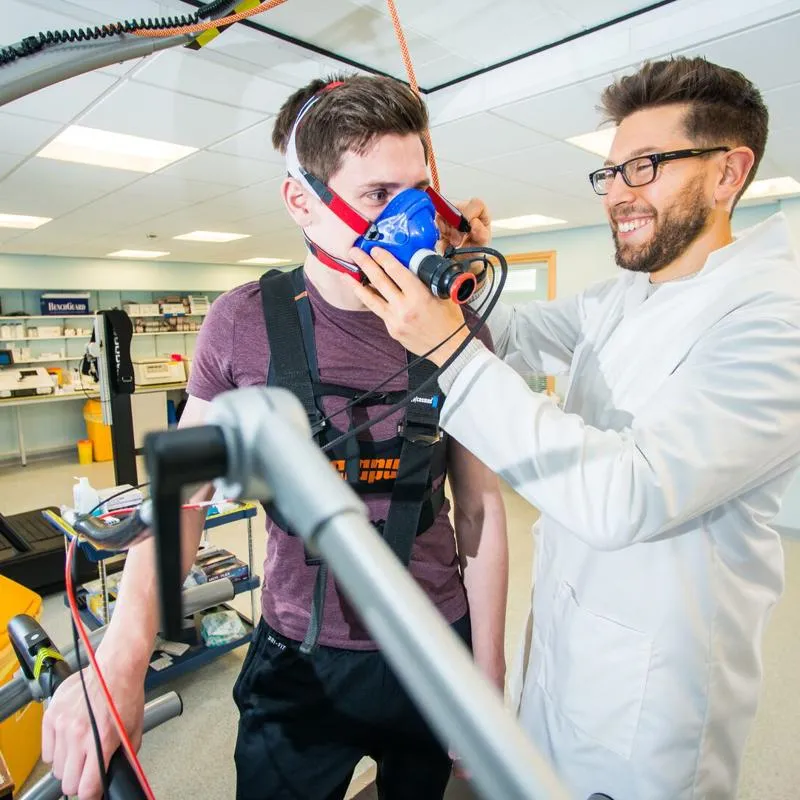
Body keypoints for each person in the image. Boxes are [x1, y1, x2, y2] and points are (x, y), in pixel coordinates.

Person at [41, 74, 509, 800]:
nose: (409, 217)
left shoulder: (459, 324)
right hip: (297, 654)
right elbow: (183, 503)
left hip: (432, 649)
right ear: (302, 201)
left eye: (417, 191)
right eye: (379, 195)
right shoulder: (242, 322)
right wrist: (123, 656)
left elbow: (480, 514)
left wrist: (487, 680)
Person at [351, 56, 800, 799]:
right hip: (569, 643)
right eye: (612, 172)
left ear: (729, 173)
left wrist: (448, 351)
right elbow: (518, 333)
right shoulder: (631, 291)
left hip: (655, 699)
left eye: (646, 167)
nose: (618, 194)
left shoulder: (773, 322)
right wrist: (456, 272)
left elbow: (628, 496)